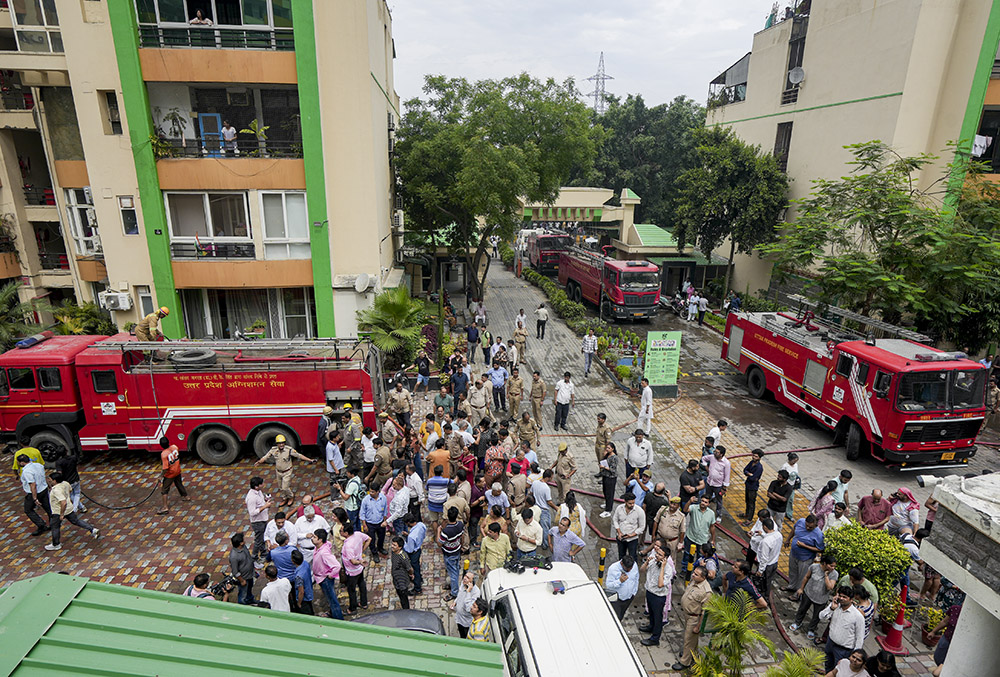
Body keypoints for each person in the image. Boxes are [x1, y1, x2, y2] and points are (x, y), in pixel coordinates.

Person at [672, 565, 713, 671]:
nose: (693, 575)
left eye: (696, 574)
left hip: (694, 618)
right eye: (694, 573)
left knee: (688, 639)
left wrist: (698, 626)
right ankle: (694, 655)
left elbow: (704, 613)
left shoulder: (707, 592)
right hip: (686, 614)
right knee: (692, 640)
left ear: (703, 578)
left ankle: (685, 662)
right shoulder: (695, 581)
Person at [254, 435, 314, 508]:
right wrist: (259, 462)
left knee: (285, 487)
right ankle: (284, 498)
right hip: (278, 471)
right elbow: (266, 457)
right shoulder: (273, 450)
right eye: (279, 443)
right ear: (277, 444)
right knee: (280, 487)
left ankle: (291, 496)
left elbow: (299, 455)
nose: (281, 445)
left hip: (287, 471)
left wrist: (309, 460)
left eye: (283, 443)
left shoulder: (289, 450)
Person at [44, 471, 98, 551]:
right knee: (76, 521)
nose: (49, 481)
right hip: (69, 508)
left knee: (55, 527)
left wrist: (61, 514)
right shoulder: (65, 483)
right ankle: (92, 529)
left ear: (55, 480)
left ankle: (56, 544)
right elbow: (69, 490)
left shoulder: (56, 490)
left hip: (58, 511)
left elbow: (63, 502)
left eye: (50, 480)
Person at [791, 553, 839, 639]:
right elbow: (806, 577)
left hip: (821, 598)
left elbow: (830, 587)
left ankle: (811, 629)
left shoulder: (834, 574)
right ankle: (797, 622)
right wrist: (801, 588)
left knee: (817, 615)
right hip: (808, 593)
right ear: (824, 563)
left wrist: (826, 576)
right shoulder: (814, 567)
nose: (833, 568)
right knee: (802, 609)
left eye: (834, 566)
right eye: (831, 566)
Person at [819, 586, 866, 673]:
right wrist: (831, 609)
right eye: (840, 596)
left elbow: (859, 638)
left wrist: (855, 655)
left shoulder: (857, 616)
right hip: (830, 643)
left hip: (843, 650)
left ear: (851, 599)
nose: (841, 598)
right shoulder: (835, 606)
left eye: (844, 597)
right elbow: (821, 616)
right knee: (828, 665)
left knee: (839, 670)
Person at [638, 538, 674, 646]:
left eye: (660, 555)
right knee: (651, 614)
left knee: (658, 617)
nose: (657, 555)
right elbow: (642, 570)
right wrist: (647, 562)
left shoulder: (668, 569)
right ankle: (650, 627)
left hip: (659, 596)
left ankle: (655, 638)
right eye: (657, 553)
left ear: (665, 558)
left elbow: (660, 584)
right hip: (650, 591)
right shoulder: (653, 560)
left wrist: (662, 567)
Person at [785, 514, 825, 592]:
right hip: (794, 554)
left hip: (805, 559)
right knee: (792, 572)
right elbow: (794, 529)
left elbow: (820, 549)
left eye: (810, 527)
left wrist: (805, 546)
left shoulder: (819, 534)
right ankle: (791, 586)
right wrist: (788, 539)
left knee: (802, 576)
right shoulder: (800, 521)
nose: (807, 528)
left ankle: (798, 593)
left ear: (816, 525)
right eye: (806, 525)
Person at [310, 528, 344, 619]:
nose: (312, 538)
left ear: (320, 540)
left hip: (325, 579)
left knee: (332, 600)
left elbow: (337, 566)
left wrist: (331, 575)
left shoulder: (324, 553)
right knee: (329, 598)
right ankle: (332, 612)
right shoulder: (321, 546)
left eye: (314, 537)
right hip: (320, 577)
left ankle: (339, 620)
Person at [340, 521, 370, 613]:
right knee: (361, 584)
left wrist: (360, 561)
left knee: (351, 590)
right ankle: (364, 603)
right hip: (360, 569)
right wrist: (362, 550)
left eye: (341, 531)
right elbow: (369, 539)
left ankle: (352, 608)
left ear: (346, 533)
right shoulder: (358, 534)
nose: (340, 532)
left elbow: (353, 561)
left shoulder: (348, 546)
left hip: (352, 571)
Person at [18, 454, 51, 537]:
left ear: (22, 463)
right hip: (44, 489)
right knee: (48, 507)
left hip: (35, 492)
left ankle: (41, 525)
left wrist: (35, 498)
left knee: (28, 509)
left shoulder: (26, 471)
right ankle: (53, 523)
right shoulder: (38, 465)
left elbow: (33, 485)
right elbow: (43, 476)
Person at [683, 495, 716, 574]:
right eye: (702, 501)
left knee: (700, 557)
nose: (703, 503)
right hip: (691, 537)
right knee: (687, 554)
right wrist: (689, 501)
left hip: (702, 540)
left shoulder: (711, 514)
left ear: (708, 504)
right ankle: (684, 570)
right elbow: (685, 509)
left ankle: (696, 572)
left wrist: (713, 539)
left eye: (705, 502)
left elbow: (712, 527)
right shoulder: (694, 508)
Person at [157, 436, 188, 515]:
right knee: (179, 483)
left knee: (164, 490)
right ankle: (185, 496)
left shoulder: (164, 454)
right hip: (177, 470)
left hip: (170, 474)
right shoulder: (174, 447)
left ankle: (165, 507)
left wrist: (161, 476)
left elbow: (165, 468)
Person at [438, 506, 465, 599]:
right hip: (457, 550)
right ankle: (453, 585)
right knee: (456, 568)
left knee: (453, 573)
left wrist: (438, 531)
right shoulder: (460, 525)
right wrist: (461, 546)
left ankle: (454, 592)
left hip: (449, 554)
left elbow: (439, 543)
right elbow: (462, 536)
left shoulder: (446, 531)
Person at [245, 476, 273, 562]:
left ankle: (264, 553)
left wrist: (265, 500)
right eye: (261, 484)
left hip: (263, 518)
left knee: (262, 538)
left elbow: (260, 503)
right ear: (256, 486)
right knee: (259, 540)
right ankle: (254, 557)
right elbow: (252, 512)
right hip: (258, 522)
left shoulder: (259, 492)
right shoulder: (252, 498)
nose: (263, 485)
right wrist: (265, 506)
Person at [605, 554, 640, 621]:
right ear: (621, 563)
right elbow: (608, 586)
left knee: (621, 615)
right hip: (617, 599)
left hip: (629, 597)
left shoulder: (634, 565)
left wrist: (634, 592)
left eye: (631, 569)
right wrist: (619, 581)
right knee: (615, 618)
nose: (629, 570)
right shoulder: (613, 569)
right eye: (627, 569)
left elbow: (636, 578)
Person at [612, 492, 645, 561]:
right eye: (630, 503)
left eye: (633, 503)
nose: (632, 505)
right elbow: (615, 520)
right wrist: (619, 532)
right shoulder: (619, 508)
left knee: (632, 556)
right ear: (625, 502)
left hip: (632, 539)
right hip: (620, 537)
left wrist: (631, 535)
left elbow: (642, 527)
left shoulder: (639, 511)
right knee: (621, 555)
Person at [701, 445, 730, 521]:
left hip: (718, 485)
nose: (715, 453)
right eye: (715, 451)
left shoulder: (726, 463)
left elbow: (727, 476)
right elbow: (704, 458)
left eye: (717, 452)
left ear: (721, 454)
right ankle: (705, 511)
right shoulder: (712, 457)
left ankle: (719, 515)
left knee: (719, 501)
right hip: (709, 482)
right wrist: (706, 467)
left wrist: (724, 488)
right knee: (707, 497)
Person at [756, 517, 783, 594]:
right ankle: (766, 594)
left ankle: (764, 597)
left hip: (767, 566)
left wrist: (760, 570)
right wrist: (762, 535)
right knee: (769, 581)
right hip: (774, 563)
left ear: (765, 527)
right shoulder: (779, 535)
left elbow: (764, 558)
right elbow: (772, 541)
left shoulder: (765, 542)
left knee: (763, 584)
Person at [451, 571, 481, 638]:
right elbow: (460, 594)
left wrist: (468, 592)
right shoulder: (463, 583)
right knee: (461, 634)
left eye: (468, 578)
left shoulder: (476, 593)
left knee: (466, 636)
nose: (464, 578)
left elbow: (469, 609)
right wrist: (455, 602)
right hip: (459, 617)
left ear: (472, 582)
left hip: (466, 622)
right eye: (465, 576)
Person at [230, 532, 255, 604]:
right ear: (240, 543)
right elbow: (235, 571)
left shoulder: (243, 547)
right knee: (242, 594)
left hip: (250, 574)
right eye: (243, 540)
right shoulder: (234, 556)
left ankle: (250, 600)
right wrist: (241, 580)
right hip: (244, 578)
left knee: (249, 589)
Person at [531, 469, 557, 540]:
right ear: (548, 477)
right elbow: (549, 502)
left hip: (535, 508)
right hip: (544, 510)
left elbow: (531, 493)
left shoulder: (535, 483)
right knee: (545, 528)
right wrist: (556, 508)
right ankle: (545, 544)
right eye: (552, 477)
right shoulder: (546, 488)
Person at [741, 449, 764, 523]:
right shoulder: (751, 462)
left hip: (753, 487)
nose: (753, 457)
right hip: (748, 485)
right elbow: (745, 470)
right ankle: (747, 514)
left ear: (759, 458)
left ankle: (749, 519)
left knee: (751, 503)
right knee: (747, 501)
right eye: (753, 455)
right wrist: (749, 474)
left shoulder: (759, 467)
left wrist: (749, 474)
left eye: (756, 456)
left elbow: (753, 478)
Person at [290, 549, 314, 615]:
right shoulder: (305, 564)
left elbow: (301, 591)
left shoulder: (299, 576)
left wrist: (299, 603)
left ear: (293, 561)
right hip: (309, 591)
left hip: (304, 599)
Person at [598, 441, 619, 518]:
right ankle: (606, 504)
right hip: (605, 476)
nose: (607, 449)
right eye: (607, 447)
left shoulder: (614, 458)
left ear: (613, 449)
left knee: (610, 493)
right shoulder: (607, 455)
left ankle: (608, 510)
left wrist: (604, 467)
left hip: (611, 477)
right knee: (605, 491)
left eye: (609, 448)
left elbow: (613, 469)